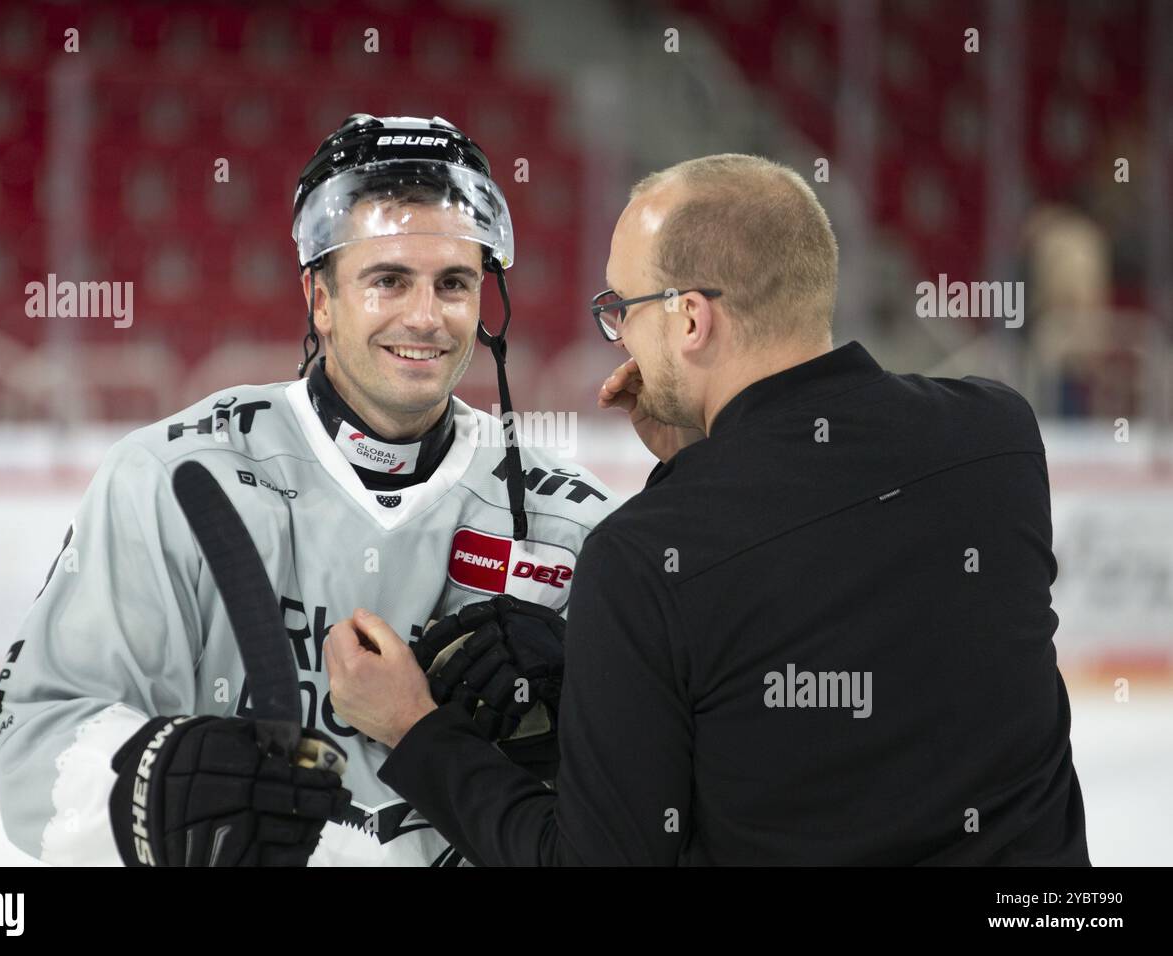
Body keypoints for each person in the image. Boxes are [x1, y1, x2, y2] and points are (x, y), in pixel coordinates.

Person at [326, 153, 1091, 866]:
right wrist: (701, 462)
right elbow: (824, 560)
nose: (617, 331)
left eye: (622, 307)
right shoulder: (998, 436)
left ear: (690, 319)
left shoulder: (644, 556)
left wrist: (413, 730)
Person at [0, 114, 619, 867]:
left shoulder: (566, 518)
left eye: (454, 283)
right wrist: (154, 787)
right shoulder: (172, 481)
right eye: (388, 280)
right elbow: (34, 738)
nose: (426, 316)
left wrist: (580, 684)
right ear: (320, 298)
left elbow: (648, 801)